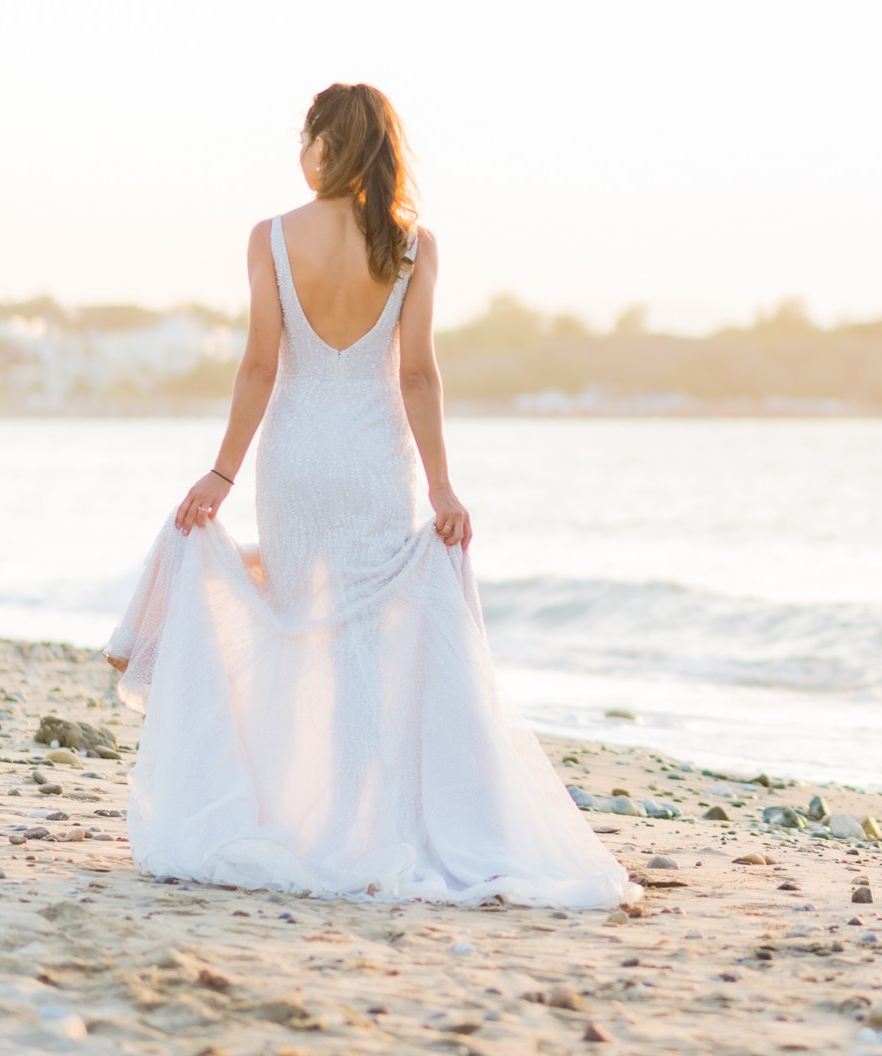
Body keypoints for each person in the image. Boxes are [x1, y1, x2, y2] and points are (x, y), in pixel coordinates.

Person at [105, 83, 632, 908]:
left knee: (294, 625)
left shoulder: (271, 237)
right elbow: (419, 373)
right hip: (377, 460)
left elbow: (258, 367)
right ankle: (363, 813)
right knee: (362, 644)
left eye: (307, 135)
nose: (301, 149)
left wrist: (222, 474)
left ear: (325, 142)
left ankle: (296, 814)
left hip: (296, 458)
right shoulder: (412, 244)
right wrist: (446, 486)